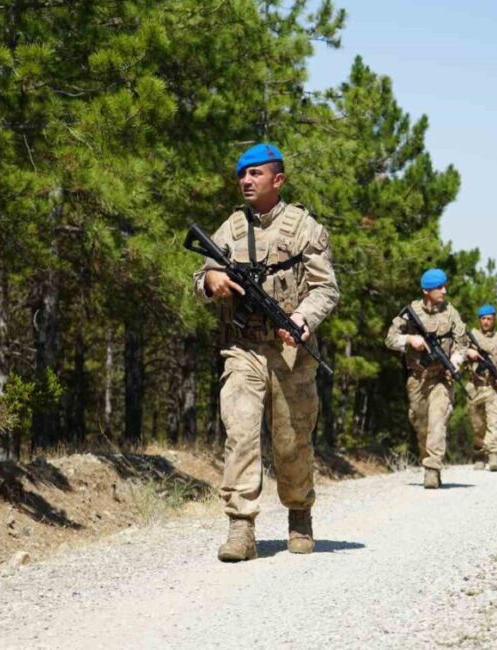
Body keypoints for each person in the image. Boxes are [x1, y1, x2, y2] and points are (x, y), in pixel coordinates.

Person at [192, 143, 339, 563]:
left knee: (292, 443)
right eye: (242, 175)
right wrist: (210, 281)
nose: (245, 181)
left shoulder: (305, 229)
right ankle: (241, 527)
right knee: (239, 431)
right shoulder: (231, 229)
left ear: (278, 179)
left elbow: (326, 288)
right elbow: (199, 275)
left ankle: (299, 514)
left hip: (292, 353)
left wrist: (304, 319)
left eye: (255, 174)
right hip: (243, 349)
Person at [384, 269, 469, 489]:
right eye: (439, 287)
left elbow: (462, 343)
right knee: (420, 423)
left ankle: (432, 468)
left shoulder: (451, 313)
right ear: (426, 291)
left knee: (437, 420)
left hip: (442, 377)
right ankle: (428, 459)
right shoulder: (410, 312)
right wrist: (410, 339)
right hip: (417, 378)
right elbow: (389, 339)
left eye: (444, 286)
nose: (444, 291)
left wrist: (456, 362)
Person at [465, 305, 497, 471]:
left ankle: (493, 454)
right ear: (480, 320)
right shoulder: (471, 337)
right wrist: (468, 352)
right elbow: (458, 351)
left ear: (494, 320)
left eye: (489, 319)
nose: (486, 322)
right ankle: (479, 454)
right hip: (475, 386)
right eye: (483, 319)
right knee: (477, 424)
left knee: (494, 421)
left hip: (494, 387)